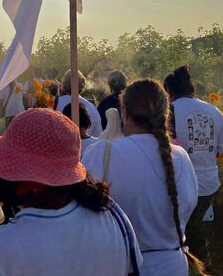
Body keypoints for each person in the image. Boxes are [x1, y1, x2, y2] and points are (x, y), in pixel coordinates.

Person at [0, 108, 143, 275]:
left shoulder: (0, 248)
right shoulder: (114, 217)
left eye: (11, 166)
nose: (1, 173)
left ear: (39, 180)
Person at [83, 79, 204, 276]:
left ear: (125, 113)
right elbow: (189, 205)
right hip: (174, 266)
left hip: (122, 267)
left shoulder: (103, 153)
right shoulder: (181, 158)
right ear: (165, 115)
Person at [164, 65, 223, 264]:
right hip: (208, 184)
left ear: (169, 91)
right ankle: (199, 262)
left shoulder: (170, 112)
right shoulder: (213, 110)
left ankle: (194, 264)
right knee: (193, 228)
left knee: (182, 231)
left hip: (179, 184)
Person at [54, 70, 102, 137]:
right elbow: (98, 134)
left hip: (63, 145)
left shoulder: (55, 103)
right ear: (82, 84)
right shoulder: (91, 107)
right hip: (88, 146)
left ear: (64, 84)